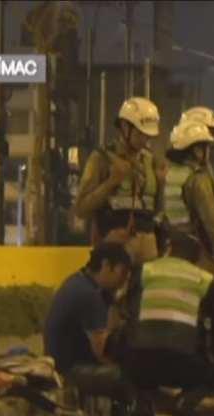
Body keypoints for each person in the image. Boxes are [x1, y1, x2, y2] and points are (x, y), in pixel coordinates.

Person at [124, 231, 214, 416]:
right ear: (197, 259)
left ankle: (142, 402)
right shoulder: (205, 279)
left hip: (138, 363)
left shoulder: (144, 271)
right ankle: (188, 402)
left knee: (128, 340)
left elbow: (129, 312)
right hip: (184, 367)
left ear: (168, 250)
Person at [73, 96, 166, 340]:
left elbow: (157, 209)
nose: (146, 139)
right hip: (114, 248)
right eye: (141, 133)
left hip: (148, 247)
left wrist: (162, 183)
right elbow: (81, 208)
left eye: (149, 135)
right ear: (125, 128)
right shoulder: (102, 159)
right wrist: (111, 182)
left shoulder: (151, 162)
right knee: (113, 308)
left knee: (145, 307)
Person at [43, 243, 134, 416]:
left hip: (60, 363)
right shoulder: (89, 296)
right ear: (106, 266)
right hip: (69, 371)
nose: (123, 281)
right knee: (129, 375)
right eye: (122, 273)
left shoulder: (77, 282)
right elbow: (101, 352)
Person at [166, 116, 214, 330]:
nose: (209, 153)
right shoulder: (198, 180)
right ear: (197, 151)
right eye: (207, 147)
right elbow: (213, 224)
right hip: (199, 253)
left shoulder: (171, 175)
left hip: (172, 251)